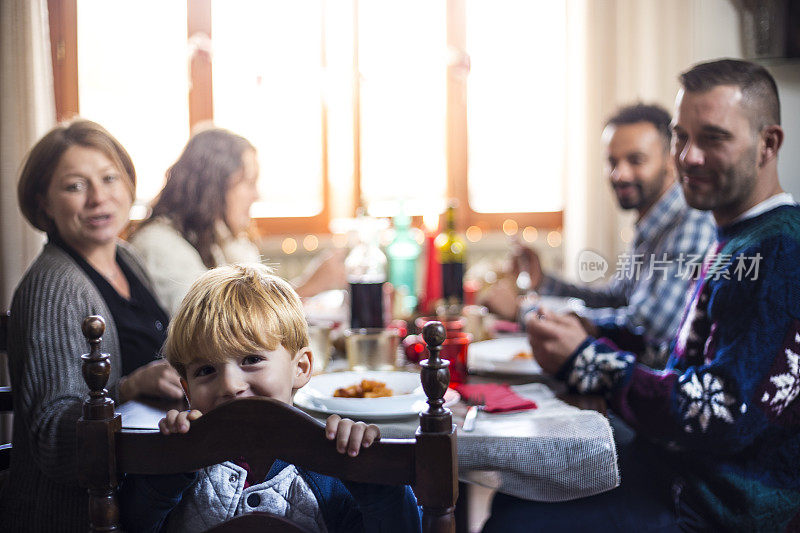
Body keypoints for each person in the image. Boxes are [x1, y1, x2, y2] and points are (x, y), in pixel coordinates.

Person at [483, 59, 800, 532]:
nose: (689, 157)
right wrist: (588, 330)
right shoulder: (738, 235)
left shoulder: (775, 250)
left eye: (713, 138)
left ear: (768, 144)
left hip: (716, 505)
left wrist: (586, 359)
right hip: (680, 474)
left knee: (515, 522)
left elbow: (717, 411)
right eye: (681, 137)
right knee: (514, 496)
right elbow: (680, 354)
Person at [120, 263, 422, 532]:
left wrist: (372, 476)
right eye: (206, 370)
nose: (230, 385)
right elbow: (131, 523)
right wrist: (166, 466)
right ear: (186, 391)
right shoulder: (179, 465)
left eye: (251, 360)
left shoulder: (332, 461)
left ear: (301, 368)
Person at [2, 119, 184, 531]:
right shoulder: (53, 287)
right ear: (43, 203)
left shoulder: (125, 256)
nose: (98, 198)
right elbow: (52, 439)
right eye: (75, 186)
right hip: (77, 516)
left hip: (145, 488)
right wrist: (130, 385)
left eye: (109, 179)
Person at [482, 104, 715, 364]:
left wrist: (526, 312)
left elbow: (646, 327)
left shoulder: (691, 223)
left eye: (635, 160)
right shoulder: (650, 223)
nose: (620, 174)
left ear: (671, 161)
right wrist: (544, 282)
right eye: (612, 162)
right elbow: (614, 299)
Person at [129, 126, 345, 316]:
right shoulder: (158, 244)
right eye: (249, 183)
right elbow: (214, 327)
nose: (256, 195)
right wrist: (310, 287)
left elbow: (256, 305)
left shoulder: (218, 237)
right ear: (214, 187)